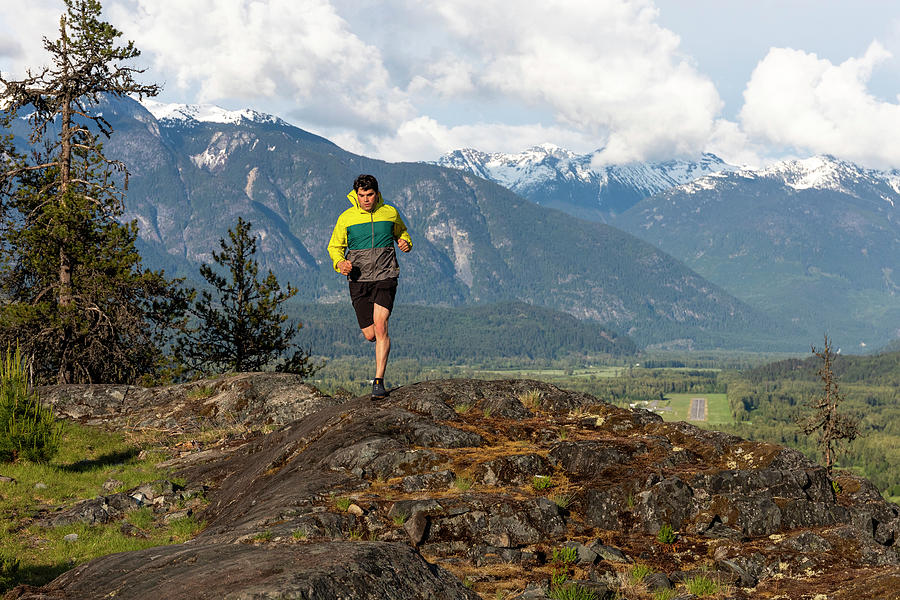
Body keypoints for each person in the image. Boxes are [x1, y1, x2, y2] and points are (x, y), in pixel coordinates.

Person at [327, 174, 412, 400]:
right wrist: (339, 263)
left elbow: (401, 233)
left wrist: (405, 242)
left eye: (370, 195)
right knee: (370, 334)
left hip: (386, 275)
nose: (366, 200)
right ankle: (377, 349)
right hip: (359, 278)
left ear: (377, 193)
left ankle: (378, 382)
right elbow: (335, 246)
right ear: (356, 195)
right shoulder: (346, 218)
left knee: (381, 326)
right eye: (362, 196)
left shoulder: (390, 213)